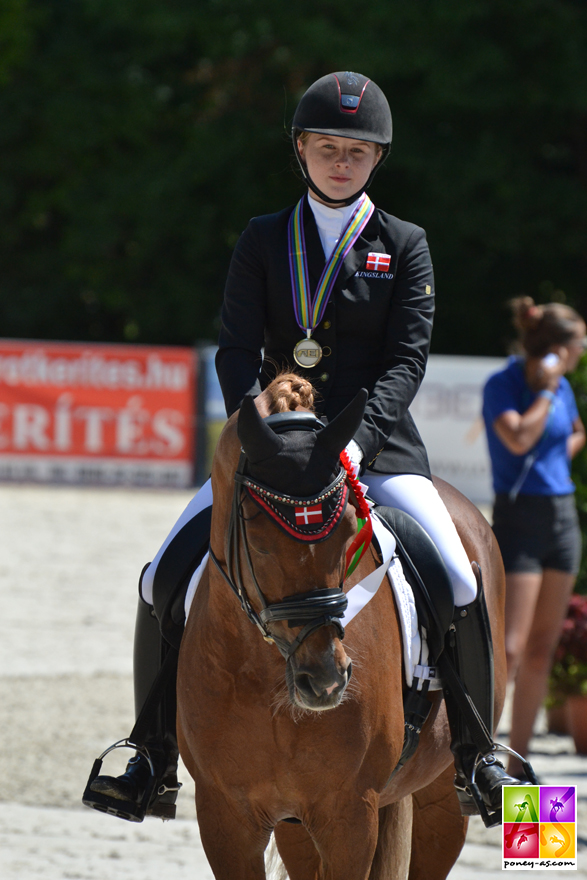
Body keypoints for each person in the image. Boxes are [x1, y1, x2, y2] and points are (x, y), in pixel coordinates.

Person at [84, 70, 530, 825]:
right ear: (300, 150)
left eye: (357, 151)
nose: (341, 162)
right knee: (163, 574)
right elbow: (234, 350)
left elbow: (405, 362)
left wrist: (353, 445)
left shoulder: (404, 245)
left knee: (456, 575)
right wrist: (255, 427)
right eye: (327, 148)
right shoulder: (261, 238)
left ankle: (481, 754)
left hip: (375, 451)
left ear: (376, 160)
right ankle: (150, 753)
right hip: (269, 448)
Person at [483, 297, 586, 778]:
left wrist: (555, 462)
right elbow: (519, 438)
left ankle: (519, 761)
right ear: (558, 349)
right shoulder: (503, 384)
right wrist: (545, 392)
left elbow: (577, 430)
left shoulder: (563, 387)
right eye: (579, 343)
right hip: (519, 519)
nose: (582, 351)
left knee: (543, 645)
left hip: (561, 517)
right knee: (512, 647)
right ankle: (484, 752)